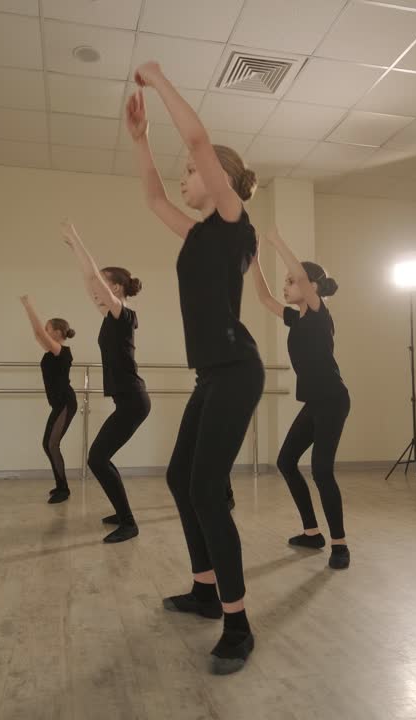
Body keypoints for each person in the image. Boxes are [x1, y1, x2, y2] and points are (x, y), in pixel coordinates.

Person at [126, 60, 263, 675]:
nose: (185, 179)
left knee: (207, 489)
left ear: (222, 180)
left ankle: (237, 624)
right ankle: (206, 590)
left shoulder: (235, 224)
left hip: (237, 368)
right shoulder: (197, 237)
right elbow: (153, 198)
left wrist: (157, 78)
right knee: (182, 480)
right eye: (185, 172)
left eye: (191, 174)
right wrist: (139, 143)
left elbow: (201, 141)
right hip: (213, 373)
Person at [249, 229, 352, 569]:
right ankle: (312, 532)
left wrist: (276, 240)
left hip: (333, 400)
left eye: (292, 281)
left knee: (322, 470)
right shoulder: (296, 319)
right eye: (287, 282)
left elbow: (303, 280)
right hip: (315, 402)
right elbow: (264, 298)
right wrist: (254, 259)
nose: (286, 286)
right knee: (286, 461)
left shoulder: (320, 314)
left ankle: (339, 545)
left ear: (312, 288)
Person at [59, 221, 150, 544]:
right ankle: (120, 512)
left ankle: (128, 522)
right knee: (100, 457)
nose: (97, 294)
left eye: (105, 289)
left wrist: (78, 239)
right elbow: (90, 280)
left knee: (97, 459)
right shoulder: (110, 317)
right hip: (128, 401)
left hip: (134, 401)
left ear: (119, 290)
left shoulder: (123, 315)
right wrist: (74, 251)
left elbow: (94, 277)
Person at [19, 296, 77, 504]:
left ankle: (64, 489)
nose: (44, 332)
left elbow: (37, 333)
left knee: (51, 444)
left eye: (48, 328)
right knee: (49, 444)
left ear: (58, 333)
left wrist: (28, 306)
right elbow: (38, 335)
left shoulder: (62, 352)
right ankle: (61, 486)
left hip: (65, 403)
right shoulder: (53, 352)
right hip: (60, 404)